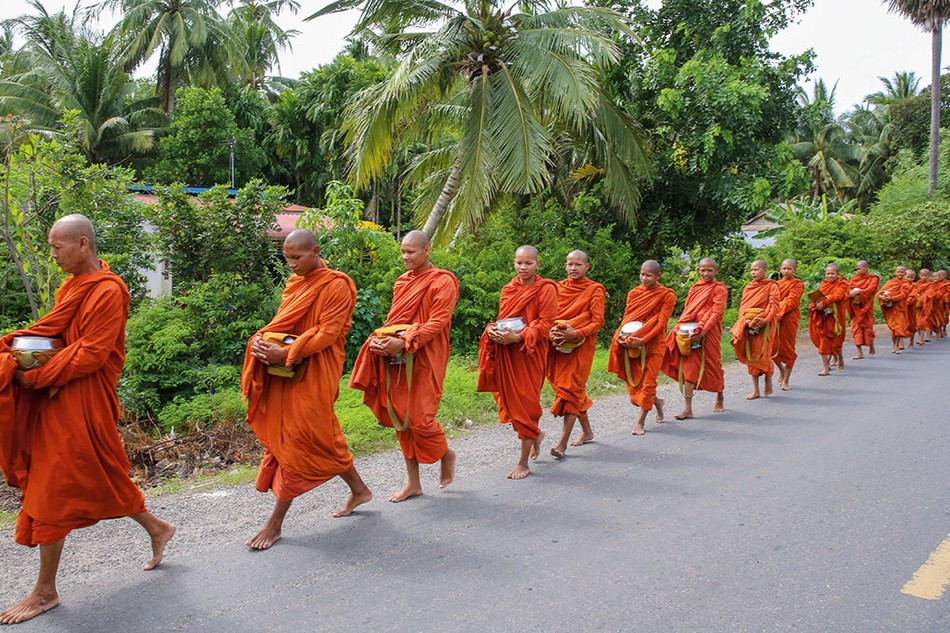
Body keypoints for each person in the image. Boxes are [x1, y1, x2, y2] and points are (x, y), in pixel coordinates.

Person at [0, 215, 176, 625]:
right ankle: (157, 527)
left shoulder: (108, 291)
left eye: (57, 247)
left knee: (50, 487)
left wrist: (34, 375)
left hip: (84, 395)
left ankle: (45, 592)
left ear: (83, 244)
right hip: (60, 396)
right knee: (100, 473)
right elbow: (57, 332)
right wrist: (18, 351)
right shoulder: (71, 285)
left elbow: (92, 353)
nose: (53, 254)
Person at [241, 229, 372, 550]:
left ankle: (275, 523)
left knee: (299, 437)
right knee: (319, 435)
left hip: (317, 369)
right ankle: (360, 490)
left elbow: (327, 333)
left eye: (297, 258)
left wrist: (286, 352)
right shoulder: (295, 284)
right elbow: (283, 323)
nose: (291, 265)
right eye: (287, 258)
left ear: (315, 251)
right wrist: (262, 341)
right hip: (287, 371)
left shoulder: (336, 285)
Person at [350, 231, 458, 502]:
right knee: (401, 417)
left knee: (420, 417)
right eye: (403, 252)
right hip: (398, 355)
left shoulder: (443, 281)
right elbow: (394, 319)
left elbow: (438, 322)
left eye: (411, 252)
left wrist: (407, 341)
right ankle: (413, 483)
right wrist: (382, 340)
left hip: (427, 353)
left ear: (427, 251)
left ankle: (445, 453)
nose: (405, 257)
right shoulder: (401, 282)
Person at [477, 245, 557, 479]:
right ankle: (535, 435)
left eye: (528, 263)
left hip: (531, 353)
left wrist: (520, 336)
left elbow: (545, 324)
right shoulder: (508, 289)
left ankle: (523, 463)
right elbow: (506, 319)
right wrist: (494, 331)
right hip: (509, 353)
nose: (523, 267)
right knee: (513, 404)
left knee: (527, 405)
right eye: (519, 263)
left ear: (537, 265)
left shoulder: (546, 289)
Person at [546, 250, 606, 457]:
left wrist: (576, 333)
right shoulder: (557, 288)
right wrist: (551, 332)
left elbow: (597, 321)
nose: (574, 268)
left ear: (587, 267)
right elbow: (548, 316)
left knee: (570, 390)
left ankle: (561, 444)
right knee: (574, 391)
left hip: (581, 347)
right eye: (570, 264)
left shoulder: (595, 289)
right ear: (565, 266)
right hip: (557, 347)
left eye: (578, 264)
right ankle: (587, 432)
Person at [607, 260, 676, 435]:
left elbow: (661, 324)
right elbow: (627, 318)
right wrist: (622, 337)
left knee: (648, 382)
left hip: (654, 344)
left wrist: (643, 339)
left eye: (648, 275)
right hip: (633, 343)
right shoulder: (634, 293)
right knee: (635, 379)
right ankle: (658, 402)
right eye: (642, 274)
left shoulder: (667, 295)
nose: (644, 278)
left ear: (658, 276)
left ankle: (640, 421)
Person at [661, 257, 728, 419]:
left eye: (709, 270)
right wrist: (682, 328)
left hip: (709, 332)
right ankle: (687, 408)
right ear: (698, 270)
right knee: (689, 369)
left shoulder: (720, 289)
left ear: (716, 271)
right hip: (691, 332)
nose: (706, 274)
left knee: (714, 365)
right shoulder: (695, 288)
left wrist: (703, 330)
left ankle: (719, 396)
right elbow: (688, 310)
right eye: (703, 270)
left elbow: (716, 312)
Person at [730, 260, 780, 400]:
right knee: (751, 353)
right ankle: (755, 390)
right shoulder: (748, 287)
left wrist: (765, 319)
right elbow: (743, 306)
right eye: (752, 270)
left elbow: (774, 305)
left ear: (765, 270)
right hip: (749, 324)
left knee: (764, 353)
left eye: (756, 270)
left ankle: (768, 378)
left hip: (766, 324)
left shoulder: (771, 285)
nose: (753, 272)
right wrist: (743, 321)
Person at [808, 262, 850, 375]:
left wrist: (825, 300)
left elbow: (838, 296)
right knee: (824, 341)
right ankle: (825, 368)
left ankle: (839, 357)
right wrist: (815, 304)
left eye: (832, 274)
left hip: (836, 317)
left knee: (836, 341)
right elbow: (819, 295)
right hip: (824, 317)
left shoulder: (842, 283)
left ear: (838, 274)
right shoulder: (824, 284)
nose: (829, 276)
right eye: (827, 274)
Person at [772, 259, 805, 390]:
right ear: (780, 269)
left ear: (794, 270)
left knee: (788, 348)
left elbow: (791, 301)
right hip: (775, 318)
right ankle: (781, 370)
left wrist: (777, 311)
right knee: (772, 349)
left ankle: (786, 380)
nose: (786, 271)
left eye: (789, 269)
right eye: (784, 268)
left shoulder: (798, 284)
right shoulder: (776, 284)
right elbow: (772, 300)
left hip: (789, 318)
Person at [848, 260, 880, 360]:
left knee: (868, 328)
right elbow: (849, 288)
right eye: (856, 268)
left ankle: (871, 344)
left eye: (860, 268)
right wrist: (850, 293)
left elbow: (871, 289)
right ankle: (859, 352)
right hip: (855, 307)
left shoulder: (873, 278)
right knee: (856, 329)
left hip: (866, 307)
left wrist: (859, 292)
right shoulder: (854, 278)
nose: (858, 271)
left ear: (866, 268)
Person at [878, 265, 911, 354]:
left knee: (898, 327)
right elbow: (880, 292)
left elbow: (903, 295)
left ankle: (896, 346)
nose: (900, 273)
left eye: (902, 272)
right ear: (895, 273)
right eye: (898, 272)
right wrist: (882, 297)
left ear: (905, 273)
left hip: (900, 308)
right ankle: (894, 346)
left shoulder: (906, 283)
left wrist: (891, 298)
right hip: (890, 308)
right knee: (893, 328)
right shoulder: (890, 282)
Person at [913, 268, 936, 344]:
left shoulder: (931, 284)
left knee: (922, 322)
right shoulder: (916, 284)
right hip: (917, 305)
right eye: (922, 275)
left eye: (925, 275)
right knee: (918, 323)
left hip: (926, 305)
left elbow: (930, 294)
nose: (923, 277)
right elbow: (913, 293)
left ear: (928, 276)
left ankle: (922, 338)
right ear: (919, 275)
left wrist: (922, 297)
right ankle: (921, 337)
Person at [903, 268, 918, 349]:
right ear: (904, 276)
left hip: (911, 308)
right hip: (901, 308)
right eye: (908, 277)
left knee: (912, 324)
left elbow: (913, 295)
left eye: (911, 277)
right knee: (901, 325)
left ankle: (911, 341)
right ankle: (900, 343)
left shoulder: (914, 286)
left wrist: (906, 302)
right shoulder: (899, 284)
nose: (909, 279)